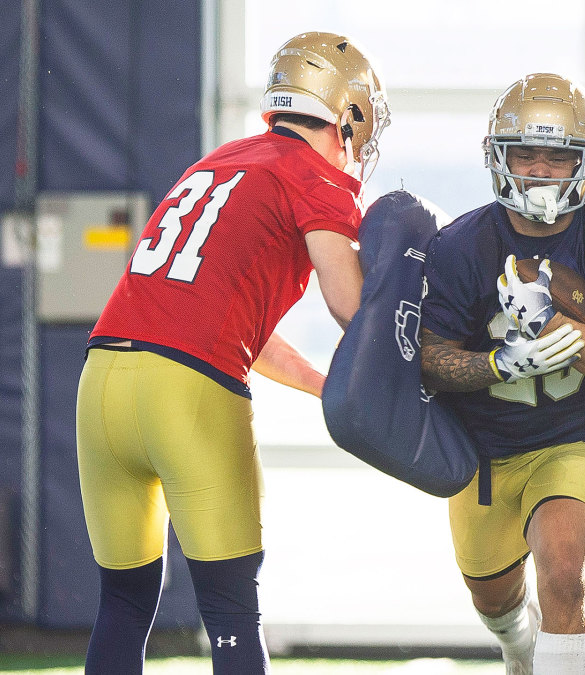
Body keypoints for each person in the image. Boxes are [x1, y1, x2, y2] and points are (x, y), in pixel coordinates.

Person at [75, 32, 389, 674]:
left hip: (102, 377)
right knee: (229, 612)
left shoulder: (221, 161)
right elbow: (350, 306)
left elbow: (220, 318)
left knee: (124, 604)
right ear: (349, 116)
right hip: (188, 394)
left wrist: (322, 383)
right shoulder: (317, 177)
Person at [419, 73, 585, 675]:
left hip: (575, 437)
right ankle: (517, 646)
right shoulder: (462, 244)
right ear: (499, 157)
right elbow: (431, 361)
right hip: (484, 452)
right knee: (494, 599)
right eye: (526, 154)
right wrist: (502, 361)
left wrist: (554, 333)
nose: (541, 171)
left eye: (560, 157)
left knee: (562, 572)